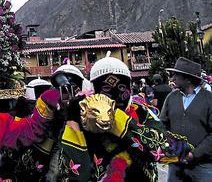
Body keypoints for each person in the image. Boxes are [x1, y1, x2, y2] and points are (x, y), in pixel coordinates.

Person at [56, 53, 191, 181]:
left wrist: (118, 120)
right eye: (106, 90)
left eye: (122, 88)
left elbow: (169, 149)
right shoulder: (81, 117)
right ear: (94, 90)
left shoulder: (140, 111)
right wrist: (73, 122)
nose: (116, 97)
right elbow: (74, 173)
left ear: (130, 88)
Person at [160, 57, 212, 181]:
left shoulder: (209, 99)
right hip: (176, 166)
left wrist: (193, 154)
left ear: (188, 79)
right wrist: (167, 145)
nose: (173, 79)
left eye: (176, 75)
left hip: (203, 166)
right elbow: (162, 124)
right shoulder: (171, 97)